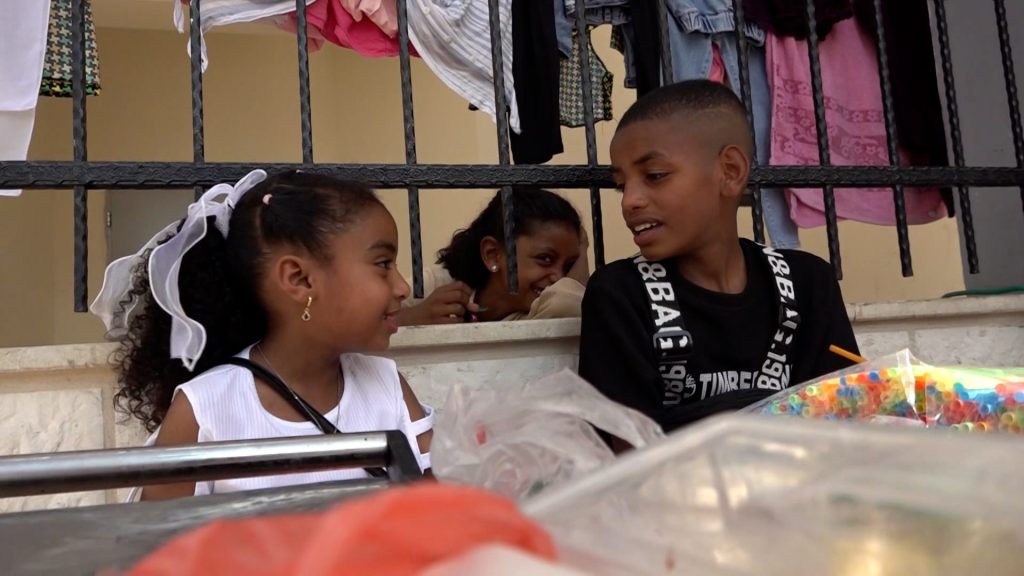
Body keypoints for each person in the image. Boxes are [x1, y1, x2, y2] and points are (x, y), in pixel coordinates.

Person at [91, 169, 433, 500]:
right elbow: (159, 535)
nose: (403, 287)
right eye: (383, 264)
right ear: (299, 279)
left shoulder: (387, 387)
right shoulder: (204, 410)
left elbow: (440, 509)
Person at [578, 80, 859, 442]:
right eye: (621, 184)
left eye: (654, 176)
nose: (630, 200)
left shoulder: (808, 283)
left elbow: (850, 419)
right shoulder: (620, 295)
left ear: (730, 171)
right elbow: (624, 450)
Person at [398, 187, 589, 325]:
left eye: (569, 266)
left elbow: (571, 301)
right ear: (493, 254)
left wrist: (582, 247)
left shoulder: (540, 312)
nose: (559, 278)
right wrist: (414, 317)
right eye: (545, 259)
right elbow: (380, 316)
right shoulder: (437, 284)